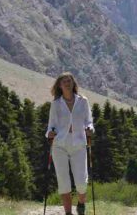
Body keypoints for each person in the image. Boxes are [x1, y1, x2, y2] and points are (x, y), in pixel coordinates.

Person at [46, 72, 95, 215]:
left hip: (79, 143)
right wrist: (49, 133)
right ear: (60, 86)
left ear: (73, 83)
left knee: (81, 182)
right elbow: (51, 126)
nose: (67, 83)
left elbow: (89, 121)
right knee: (63, 182)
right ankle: (68, 213)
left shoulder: (83, 101)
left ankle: (81, 203)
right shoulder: (55, 104)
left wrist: (90, 128)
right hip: (59, 145)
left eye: (69, 81)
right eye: (64, 81)